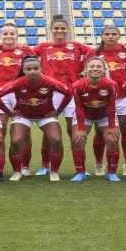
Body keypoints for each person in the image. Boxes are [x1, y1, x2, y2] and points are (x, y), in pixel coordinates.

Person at [32, 14, 92, 176]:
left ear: (68, 30)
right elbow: (23, 54)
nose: (60, 31)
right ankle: (45, 165)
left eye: (63, 28)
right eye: (56, 28)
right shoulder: (43, 47)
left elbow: (97, 52)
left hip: (72, 93)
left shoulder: (76, 46)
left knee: (73, 130)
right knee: (48, 130)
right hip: (50, 93)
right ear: (51, 30)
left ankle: (80, 169)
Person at [0, 56, 71, 182]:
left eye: (35, 68)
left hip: (45, 115)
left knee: (56, 139)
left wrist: (57, 111)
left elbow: (68, 93)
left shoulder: (49, 82)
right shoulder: (18, 83)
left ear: (40, 68)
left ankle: (54, 172)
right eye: (29, 69)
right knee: (16, 140)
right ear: (23, 70)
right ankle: (17, 171)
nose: (32, 71)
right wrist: (9, 113)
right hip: (23, 116)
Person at [0, 22, 35, 176]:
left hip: (21, 94)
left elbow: (34, 65)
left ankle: (25, 166)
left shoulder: (25, 50)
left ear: (17, 36)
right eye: (5, 33)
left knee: (24, 133)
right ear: (1, 36)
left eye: (12, 33)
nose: (8, 36)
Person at [70, 57, 121, 183]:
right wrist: (81, 128)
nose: (95, 69)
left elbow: (111, 106)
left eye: (98, 67)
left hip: (104, 115)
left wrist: (111, 126)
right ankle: (80, 172)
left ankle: (111, 172)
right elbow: (79, 108)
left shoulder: (111, 85)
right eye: (92, 66)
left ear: (104, 70)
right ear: (86, 70)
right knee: (78, 139)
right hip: (85, 115)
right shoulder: (77, 85)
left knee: (112, 139)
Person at [91, 24, 126, 176]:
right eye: (107, 34)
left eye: (114, 34)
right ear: (102, 36)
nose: (110, 36)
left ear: (119, 36)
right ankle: (99, 164)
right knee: (100, 132)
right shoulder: (95, 52)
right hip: (102, 98)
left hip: (123, 97)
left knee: (125, 131)